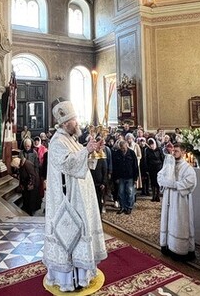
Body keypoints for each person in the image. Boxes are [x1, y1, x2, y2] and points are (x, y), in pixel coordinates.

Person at [43, 99, 106, 292]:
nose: (77, 122)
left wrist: (93, 151)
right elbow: (67, 165)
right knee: (70, 237)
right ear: (64, 123)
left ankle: (83, 275)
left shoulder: (71, 139)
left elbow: (82, 160)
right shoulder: (57, 142)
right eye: (74, 119)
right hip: (68, 201)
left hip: (80, 199)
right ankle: (68, 279)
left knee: (81, 233)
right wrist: (86, 150)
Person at [158, 143, 197, 261]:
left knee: (179, 223)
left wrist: (172, 184)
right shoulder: (169, 165)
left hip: (180, 201)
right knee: (168, 221)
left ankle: (180, 250)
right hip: (168, 198)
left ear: (183, 152)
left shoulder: (188, 168)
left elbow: (190, 182)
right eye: (173, 151)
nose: (173, 153)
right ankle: (167, 245)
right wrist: (165, 182)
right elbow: (159, 176)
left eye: (176, 151)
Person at [111, 140, 139, 215]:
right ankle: (122, 207)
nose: (123, 150)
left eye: (124, 148)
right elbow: (115, 166)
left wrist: (136, 178)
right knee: (121, 192)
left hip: (130, 176)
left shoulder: (132, 153)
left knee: (130, 192)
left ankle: (129, 207)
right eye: (121, 148)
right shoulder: (117, 153)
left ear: (126, 146)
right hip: (120, 176)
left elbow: (135, 165)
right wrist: (115, 177)